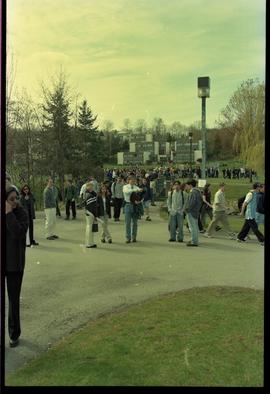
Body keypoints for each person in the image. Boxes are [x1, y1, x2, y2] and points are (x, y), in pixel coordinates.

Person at [6, 186, 29, 347]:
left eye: (16, 198)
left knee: (13, 300)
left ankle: (14, 334)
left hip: (15, 264)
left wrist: (8, 214)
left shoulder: (22, 214)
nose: (15, 201)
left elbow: (18, 233)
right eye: (11, 199)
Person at [123, 176, 143, 243]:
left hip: (135, 206)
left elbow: (140, 194)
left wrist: (140, 200)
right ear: (128, 180)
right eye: (131, 180)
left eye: (134, 180)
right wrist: (136, 190)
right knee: (127, 223)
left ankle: (134, 237)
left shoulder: (136, 187)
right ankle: (128, 238)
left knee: (135, 223)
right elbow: (127, 192)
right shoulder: (125, 187)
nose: (132, 181)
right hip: (128, 205)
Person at [184, 179, 203, 246]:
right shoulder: (198, 192)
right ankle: (194, 239)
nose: (186, 186)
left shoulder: (193, 192)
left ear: (190, 185)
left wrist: (186, 209)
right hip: (196, 211)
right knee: (195, 226)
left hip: (191, 212)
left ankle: (194, 241)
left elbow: (191, 203)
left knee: (192, 227)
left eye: (187, 185)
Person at [81, 182, 98, 248]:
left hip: (91, 213)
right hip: (89, 213)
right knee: (89, 227)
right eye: (90, 186)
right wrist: (94, 215)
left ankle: (91, 242)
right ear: (87, 187)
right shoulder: (89, 195)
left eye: (92, 186)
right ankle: (88, 243)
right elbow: (91, 206)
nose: (91, 187)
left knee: (91, 228)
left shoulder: (92, 194)